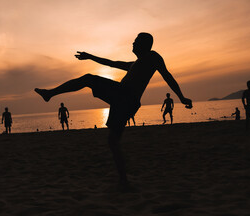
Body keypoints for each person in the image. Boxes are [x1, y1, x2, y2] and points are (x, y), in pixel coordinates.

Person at [35, 32, 192, 185]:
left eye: (136, 40)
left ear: (145, 44)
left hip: (125, 96)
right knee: (113, 141)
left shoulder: (153, 57)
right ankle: (124, 180)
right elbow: (111, 63)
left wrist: (181, 97)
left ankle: (50, 93)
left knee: (88, 78)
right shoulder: (134, 64)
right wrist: (90, 56)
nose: (133, 43)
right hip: (123, 101)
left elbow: (167, 76)